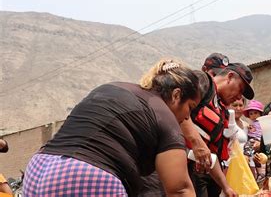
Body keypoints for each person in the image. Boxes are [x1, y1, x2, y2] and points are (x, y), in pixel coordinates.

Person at [22, 59, 203, 197]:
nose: (187, 117)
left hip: (38, 168)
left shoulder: (113, 87)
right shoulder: (164, 115)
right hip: (86, 175)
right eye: (190, 107)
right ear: (176, 95)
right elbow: (179, 190)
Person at [183, 52, 254, 197]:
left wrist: (226, 187)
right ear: (229, 77)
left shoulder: (222, 112)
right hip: (181, 170)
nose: (240, 96)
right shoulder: (203, 81)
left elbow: (212, 156)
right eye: (240, 89)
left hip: (205, 176)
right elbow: (175, 108)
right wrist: (196, 142)